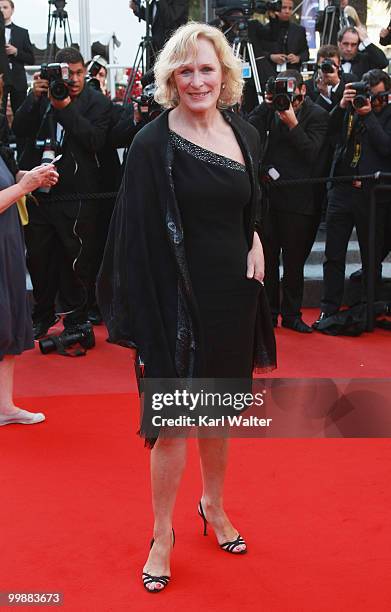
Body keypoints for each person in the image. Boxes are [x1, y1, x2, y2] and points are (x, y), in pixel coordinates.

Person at [97, 22, 276, 592]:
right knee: (174, 425)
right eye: (186, 70)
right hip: (176, 303)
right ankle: (162, 534)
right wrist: (147, 320)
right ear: (170, 77)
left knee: (219, 411)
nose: (197, 80)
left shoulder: (244, 132)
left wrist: (254, 237)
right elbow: (135, 236)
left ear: (225, 74)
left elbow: (251, 201)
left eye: (207, 69)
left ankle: (213, 506)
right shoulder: (153, 144)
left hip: (233, 299)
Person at [12, 46, 111, 340]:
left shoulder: (96, 102)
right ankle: (41, 317)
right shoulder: (41, 98)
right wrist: (35, 97)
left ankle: (77, 321)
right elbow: (19, 129)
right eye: (68, 74)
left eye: (79, 72)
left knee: (78, 261)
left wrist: (65, 106)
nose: (75, 79)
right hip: (39, 196)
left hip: (78, 197)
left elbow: (94, 140)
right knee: (39, 260)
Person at [249, 70, 329, 332]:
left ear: (303, 91)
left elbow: (312, 154)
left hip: (299, 200)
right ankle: (269, 313)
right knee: (268, 260)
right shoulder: (269, 112)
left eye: (290, 91)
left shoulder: (316, 115)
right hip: (270, 199)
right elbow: (250, 132)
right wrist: (267, 104)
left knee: (294, 262)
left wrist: (293, 124)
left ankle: (292, 314)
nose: (287, 98)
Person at [0, 72, 58, 424]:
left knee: (7, 327)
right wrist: (25, 187)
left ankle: (4, 406)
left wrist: (30, 176)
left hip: (7, 246)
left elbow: (9, 180)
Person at [314, 70, 391, 328]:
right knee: (333, 253)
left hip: (372, 193)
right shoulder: (349, 108)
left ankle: (369, 308)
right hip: (341, 189)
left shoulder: (386, 114)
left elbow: (386, 148)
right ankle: (329, 309)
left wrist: (369, 116)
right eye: (369, 95)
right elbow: (329, 133)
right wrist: (342, 105)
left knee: (372, 256)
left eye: (378, 97)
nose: (372, 101)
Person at [0, 0, 34, 115]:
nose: (2, 10)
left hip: (18, 79)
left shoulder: (22, 32)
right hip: (1, 78)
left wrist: (16, 52)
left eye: (5, 7)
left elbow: (31, 58)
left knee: (21, 114)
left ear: (12, 10)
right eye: (0, 8)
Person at [263, 0, 309, 75]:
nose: (287, 11)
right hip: (270, 72)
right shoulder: (265, 29)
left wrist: (298, 58)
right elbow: (258, 52)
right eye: (284, 8)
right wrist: (271, 57)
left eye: (290, 8)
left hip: (293, 73)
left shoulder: (299, 30)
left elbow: (306, 53)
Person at [305, 44, 355, 112]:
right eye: (323, 64)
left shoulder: (349, 80)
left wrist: (337, 84)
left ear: (339, 64)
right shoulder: (307, 86)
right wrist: (324, 95)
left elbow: (349, 110)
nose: (327, 68)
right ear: (317, 64)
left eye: (333, 64)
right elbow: (312, 116)